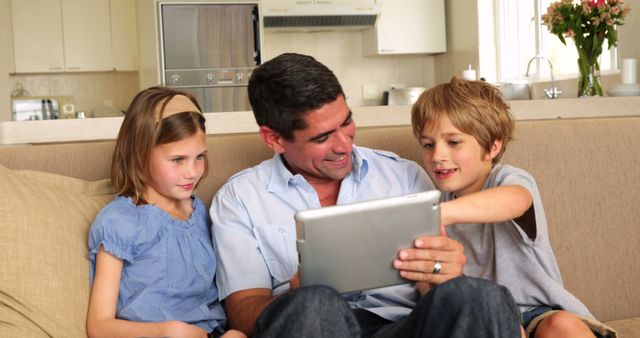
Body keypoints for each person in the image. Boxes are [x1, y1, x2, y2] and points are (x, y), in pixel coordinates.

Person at [210, 53, 522, 337]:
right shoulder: (239, 199)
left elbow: (434, 290)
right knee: (315, 303)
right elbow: (243, 312)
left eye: (346, 122)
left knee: (481, 295)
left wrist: (440, 274)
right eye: (322, 137)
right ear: (274, 138)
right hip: (312, 327)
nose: (344, 145)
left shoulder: (404, 176)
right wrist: (295, 294)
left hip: (402, 327)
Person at [410, 78, 616, 338]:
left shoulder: (508, 180)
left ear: (493, 146)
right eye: (428, 144)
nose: (437, 155)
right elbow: (435, 292)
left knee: (560, 326)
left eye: (453, 142)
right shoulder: (436, 204)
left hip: (539, 312)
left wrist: (439, 215)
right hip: (484, 318)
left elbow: (516, 201)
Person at [86, 87, 245, 338]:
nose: (192, 171)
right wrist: (167, 332)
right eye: (178, 159)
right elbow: (100, 326)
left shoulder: (199, 213)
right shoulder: (119, 222)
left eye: (199, 157)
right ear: (140, 155)